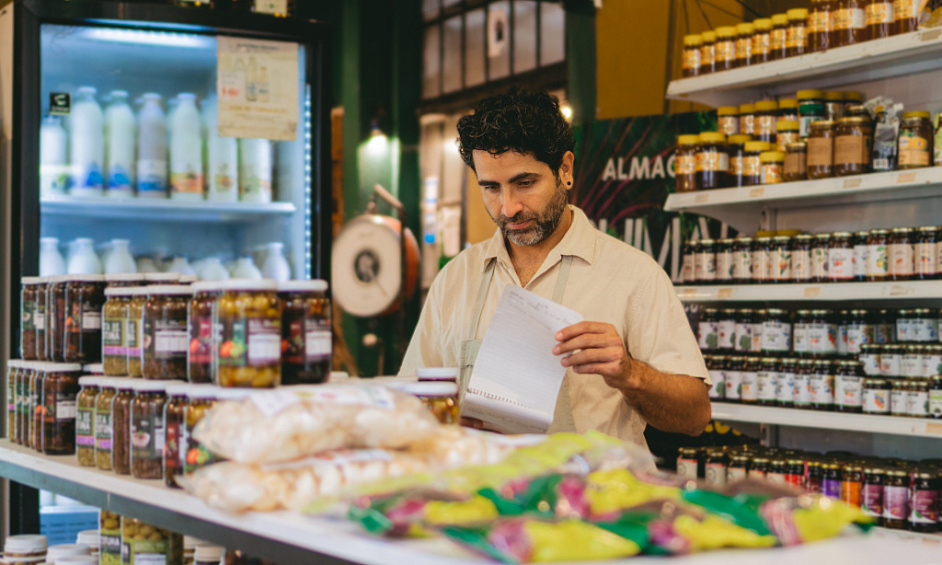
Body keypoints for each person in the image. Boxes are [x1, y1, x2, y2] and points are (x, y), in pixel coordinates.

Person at [399, 88, 710, 447]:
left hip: (590, 498)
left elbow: (695, 417)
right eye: (491, 188)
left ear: (565, 169)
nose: (508, 208)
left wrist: (629, 373)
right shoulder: (456, 277)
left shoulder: (634, 275)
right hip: (482, 495)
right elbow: (412, 401)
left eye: (524, 183)